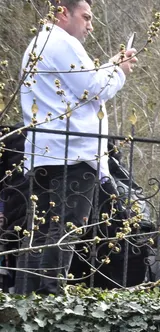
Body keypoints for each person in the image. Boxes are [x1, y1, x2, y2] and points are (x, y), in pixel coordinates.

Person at [16, 0, 138, 294]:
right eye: (85, 17)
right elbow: (94, 87)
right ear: (62, 13)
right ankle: (49, 297)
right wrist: (118, 69)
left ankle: (25, 300)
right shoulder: (61, 41)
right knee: (64, 231)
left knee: (39, 233)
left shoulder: (38, 44)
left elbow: (79, 88)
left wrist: (109, 66)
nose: (90, 25)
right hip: (72, 155)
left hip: (45, 153)